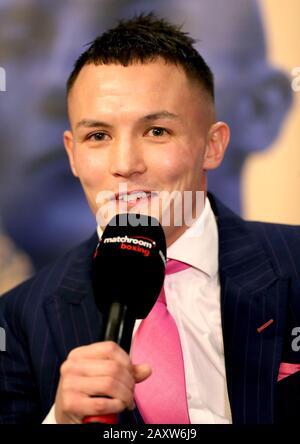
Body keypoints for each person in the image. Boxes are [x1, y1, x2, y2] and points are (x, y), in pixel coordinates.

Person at [0, 13, 300, 425]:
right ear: (72, 154)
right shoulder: (17, 321)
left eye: (156, 131)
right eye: (98, 136)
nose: (124, 165)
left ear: (213, 146)